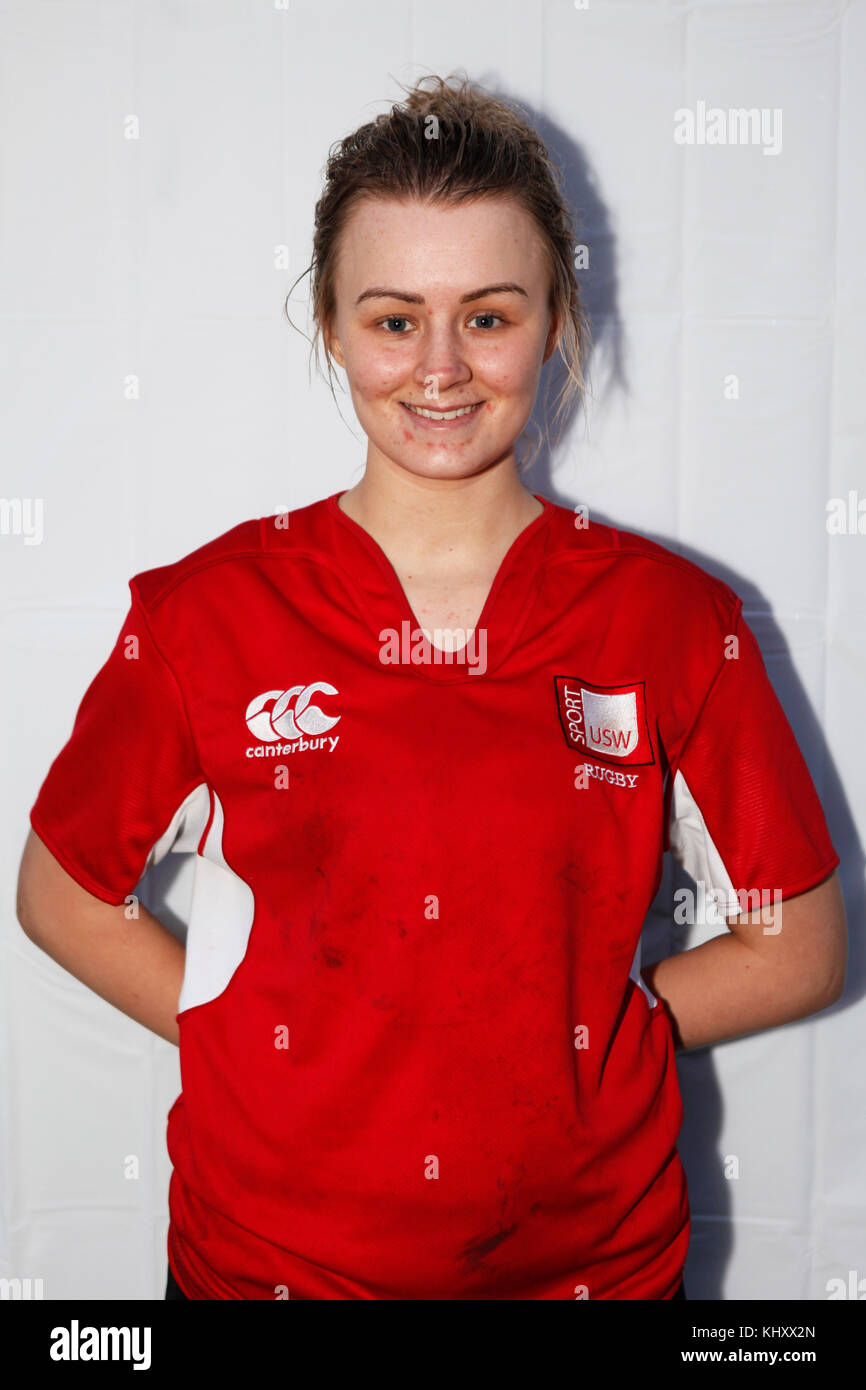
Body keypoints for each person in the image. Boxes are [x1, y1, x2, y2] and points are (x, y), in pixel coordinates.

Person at [16, 73, 846, 1302]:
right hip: (266, 1273)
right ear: (332, 324)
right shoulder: (206, 613)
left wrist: (587, 1042)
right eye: (394, 318)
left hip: (593, 1275)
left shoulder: (674, 620)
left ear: (556, 316)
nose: (441, 367)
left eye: (489, 315)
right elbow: (60, 893)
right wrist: (252, 1040)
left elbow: (800, 946)